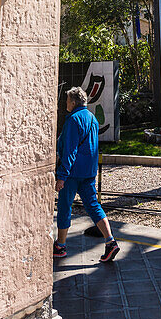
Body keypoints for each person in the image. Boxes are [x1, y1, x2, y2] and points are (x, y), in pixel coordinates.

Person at [54, 86, 119, 263]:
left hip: (73, 173)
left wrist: (62, 175)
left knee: (65, 206)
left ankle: (60, 246)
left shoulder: (73, 119)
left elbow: (70, 150)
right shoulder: (92, 119)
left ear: (73, 102)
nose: (66, 104)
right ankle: (110, 242)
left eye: (67, 100)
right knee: (93, 206)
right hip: (89, 171)